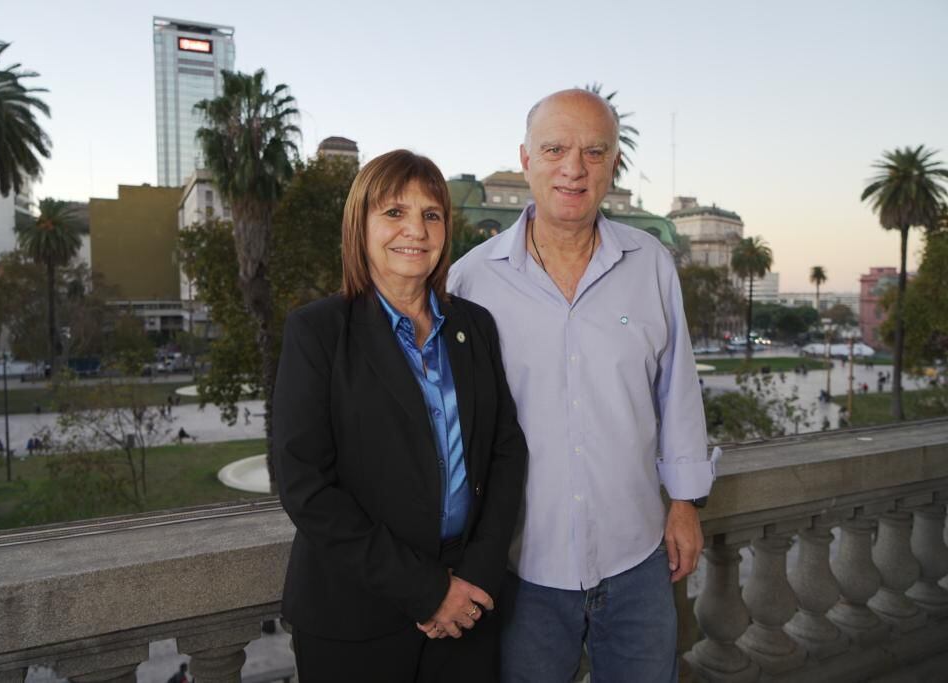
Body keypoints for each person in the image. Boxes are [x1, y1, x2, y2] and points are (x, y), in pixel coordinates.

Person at [448, 89, 715, 682]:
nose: (574, 168)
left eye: (595, 152)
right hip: (521, 568)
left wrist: (685, 502)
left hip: (639, 556)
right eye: (555, 149)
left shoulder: (650, 264)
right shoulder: (470, 281)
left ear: (613, 162)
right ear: (525, 159)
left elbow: (678, 391)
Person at [274, 149, 527, 683]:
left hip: (467, 607)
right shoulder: (317, 333)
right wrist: (428, 592)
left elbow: (506, 452)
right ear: (359, 226)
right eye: (394, 213)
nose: (415, 229)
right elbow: (305, 487)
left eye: (431, 214)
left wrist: (476, 578)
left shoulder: (474, 327)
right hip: (354, 617)